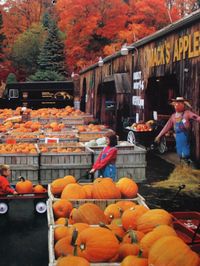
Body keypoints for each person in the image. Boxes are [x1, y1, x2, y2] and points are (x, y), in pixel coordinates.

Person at [155, 97, 200, 163]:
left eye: (179, 103)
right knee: (179, 151)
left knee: (185, 152)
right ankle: (183, 164)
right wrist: (159, 136)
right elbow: (167, 127)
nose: (177, 105)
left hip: (185, 135)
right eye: (176, 103)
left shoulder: (187, 113)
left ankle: (186, 164)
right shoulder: (173, 116)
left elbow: (197, 117)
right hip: (177, 136)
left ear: (183, 104)